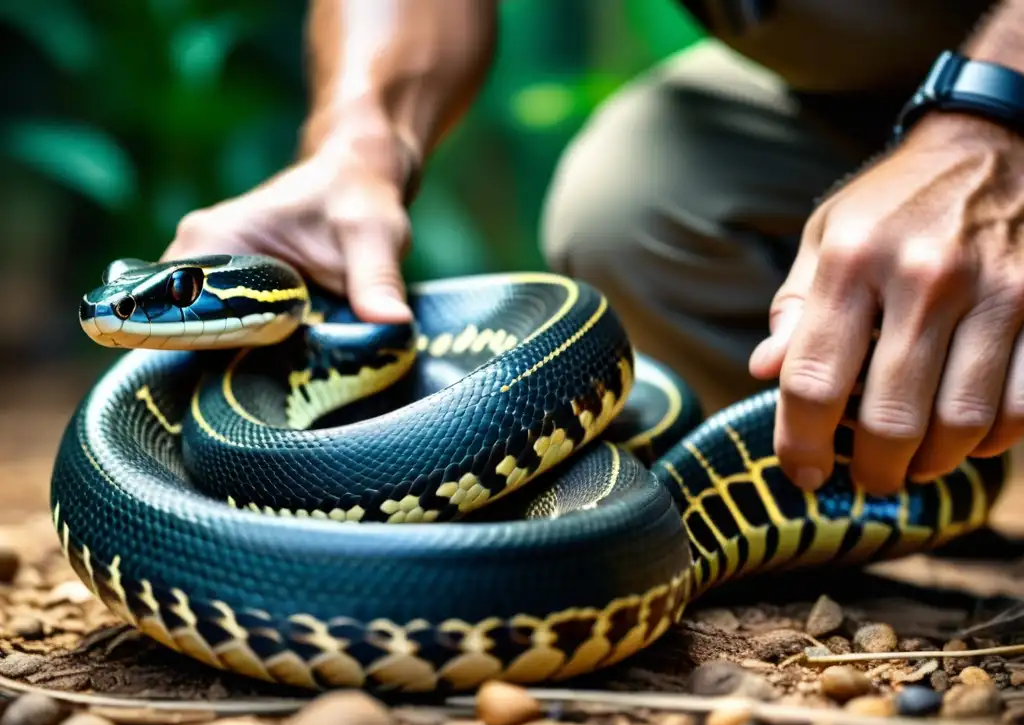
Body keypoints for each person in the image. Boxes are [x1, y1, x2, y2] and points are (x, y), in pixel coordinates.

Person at [161, 0, 1024, 499]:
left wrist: (990, 125)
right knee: (635, 207)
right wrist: (360, 140)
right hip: (867, 94)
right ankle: (930, 448)